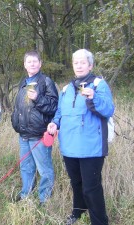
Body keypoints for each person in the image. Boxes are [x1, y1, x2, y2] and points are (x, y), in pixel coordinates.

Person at [47, 49, 114, 225]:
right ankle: (78, 211)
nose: (79, 65)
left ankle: (99, 221)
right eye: (76, 62)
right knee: (76, 183)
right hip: (69, 146)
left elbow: (108, 110)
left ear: (90, 65)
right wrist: (55, 123)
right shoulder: (67, 89)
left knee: (91, 188)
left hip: (91, 147)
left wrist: (93, 98)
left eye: (82, 62)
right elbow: (60, 112)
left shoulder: (99, 85)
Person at [11, 50, 58, 205]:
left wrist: (37, 98)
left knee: (44, 169)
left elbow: (53, 107)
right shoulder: (23, 83)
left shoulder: (46, 82)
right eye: (29, 61)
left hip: (39, 135)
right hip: (23, 134)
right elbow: (19, 107)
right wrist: (15, 120)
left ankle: (44, 199)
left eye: (35, 61)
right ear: (25, 65)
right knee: (26, 167)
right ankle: (26, 194)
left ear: (40, 63)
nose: (32, 64)